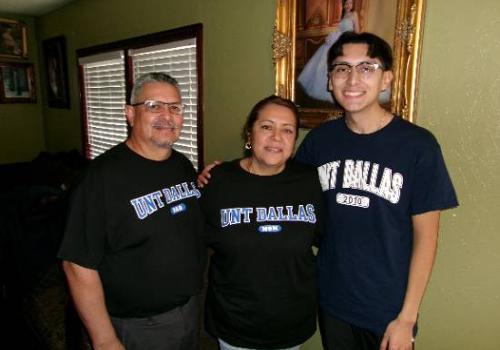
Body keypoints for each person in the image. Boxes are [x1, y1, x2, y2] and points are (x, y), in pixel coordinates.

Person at [295, 31, 459, 350]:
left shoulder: (418, 146)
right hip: (333, 301)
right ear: (330, 80)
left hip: (389, 312)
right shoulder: (319, 141)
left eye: (367, 67)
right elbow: (281, 185)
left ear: (386, 80)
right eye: (342, 68)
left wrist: (407, 318)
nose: (352, 78)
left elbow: (427, 237)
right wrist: (228, 172)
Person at [58, 72, 206, 350]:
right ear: (130, 113)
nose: (167, 115)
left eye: (174, 107)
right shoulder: (100, 179)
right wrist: (104, 339)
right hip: (136, 326)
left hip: (187, 309)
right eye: (154, 106)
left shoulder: (182, 165)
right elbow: (77, 264)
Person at [199, 95, 323, 350]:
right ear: (249, 134)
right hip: (236, 324)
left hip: (290, 323)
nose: (276, 137)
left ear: (294, 141)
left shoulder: (311, 181)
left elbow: (324, 237)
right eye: (266, 126)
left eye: (287, 130)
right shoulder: (217, 181)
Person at [297, 0, 359, 102]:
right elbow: (339, 30)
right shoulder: (343, 16)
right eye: (346, 3)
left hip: (349, 40)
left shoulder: (354, 14)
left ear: (352, 5)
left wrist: (355, 43)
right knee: (326, 53)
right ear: (343, 5)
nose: (348, 5)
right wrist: (333, 36)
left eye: (350, 3)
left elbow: (357, 31)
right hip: (340, 39)